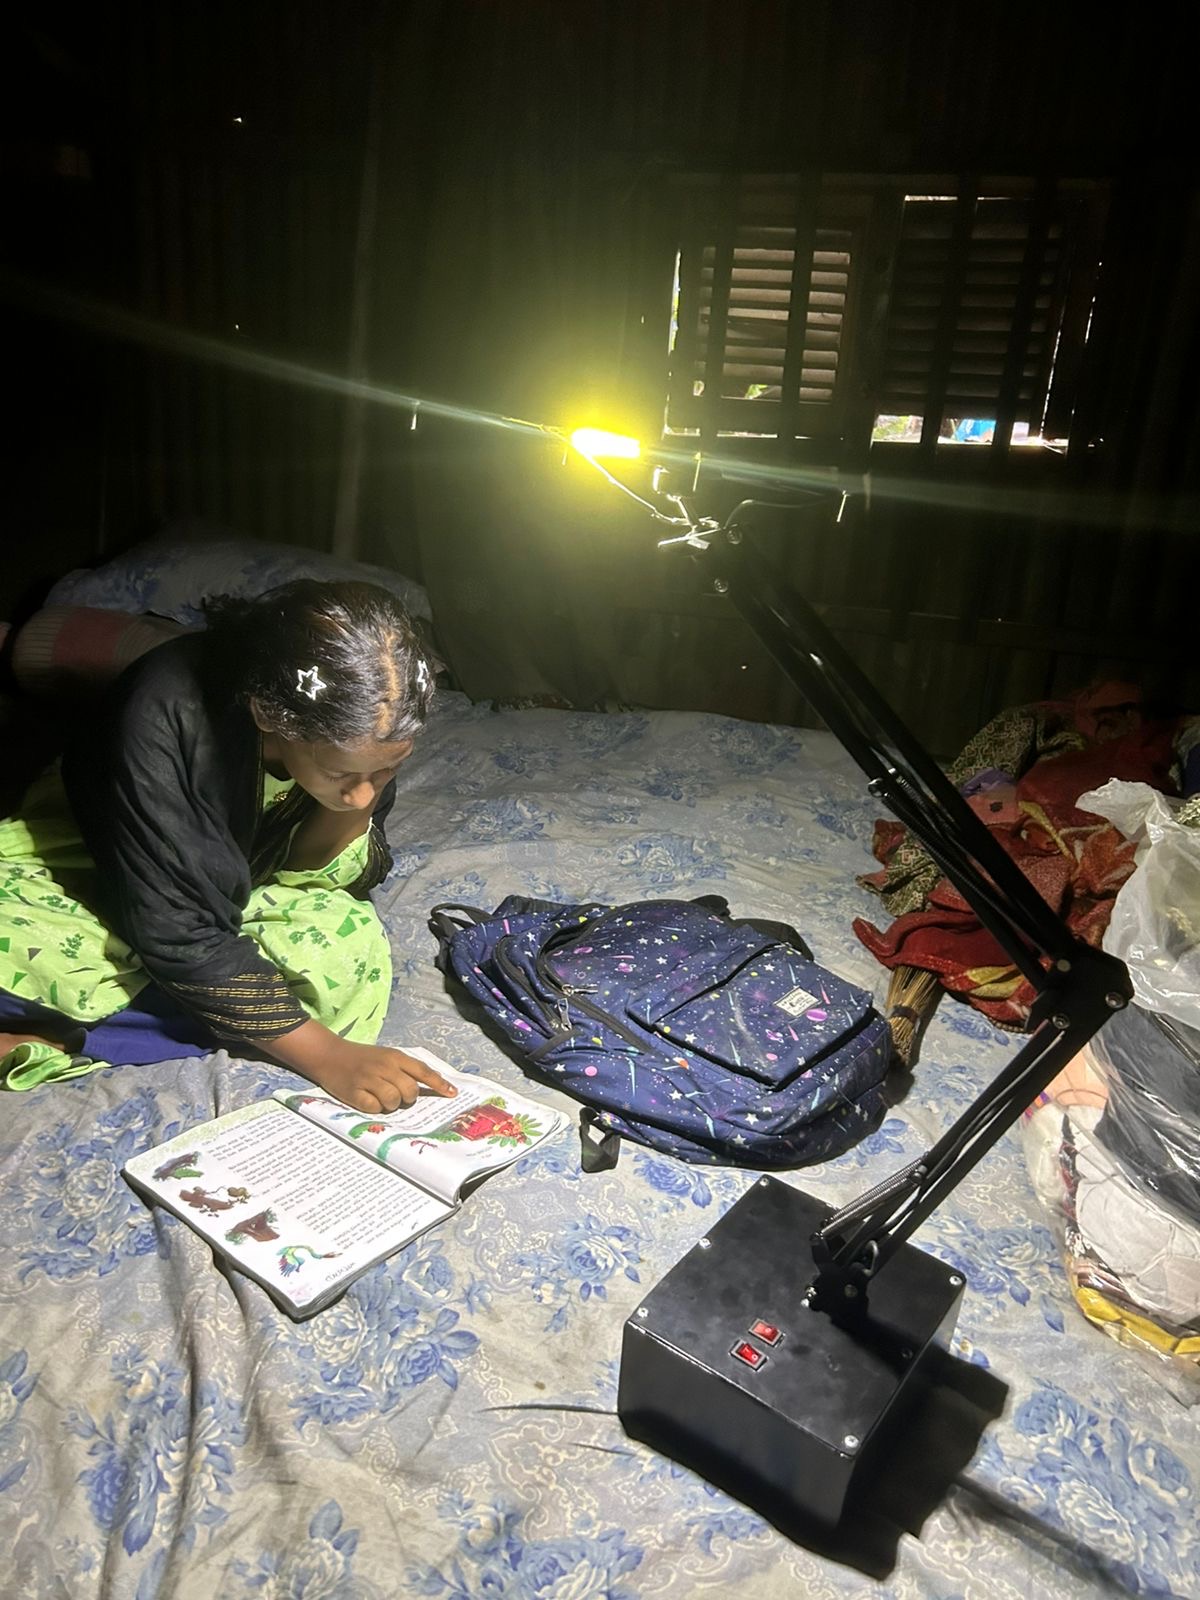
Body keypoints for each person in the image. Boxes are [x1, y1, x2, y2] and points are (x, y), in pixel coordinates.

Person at [0, 579, 455, 1113]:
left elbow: (319, 873)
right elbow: (179, 932)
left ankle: (108, 1027)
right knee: (33, 948)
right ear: (269, 715)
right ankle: (81, 1036)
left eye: (388, 769)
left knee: (343, 962)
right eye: (340, 773)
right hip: (114, 860)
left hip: (234, 881)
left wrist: (352, 793)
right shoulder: (165, 708)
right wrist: (328, 1057)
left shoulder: (370, 731)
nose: (363, 793)